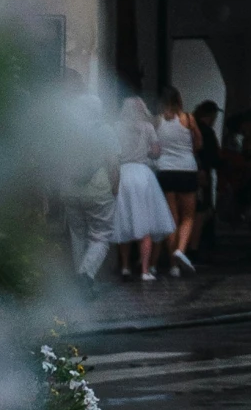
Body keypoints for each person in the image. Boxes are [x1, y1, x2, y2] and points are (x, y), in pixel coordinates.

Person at [57, 72, 119, 290]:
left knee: (77, 235)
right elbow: (113, 163)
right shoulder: (105, 130)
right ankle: (86, 276)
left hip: (70, 188)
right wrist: (115, 188)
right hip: (98, 188)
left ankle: (80, 279)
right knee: (101, 235)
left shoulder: (67, 130)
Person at [112, 93, 174, 281]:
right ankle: (145, 270)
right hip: (142, 175)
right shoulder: (147, 127)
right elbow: (156, 153)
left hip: (123, 174)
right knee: (145, 222)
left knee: (124, 222)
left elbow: (112, 152)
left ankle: (124, 266)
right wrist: (147, 151)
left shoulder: (116, 127)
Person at [153, 87, 201, 275]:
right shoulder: (188, 119)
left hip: (165, 170)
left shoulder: (157, 121)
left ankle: (173, 265)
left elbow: (155, 146)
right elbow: (199, 142)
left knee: (172, 219)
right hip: (187, 170)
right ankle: (181, 250)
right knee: (188, 217)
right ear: (179, 100)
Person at [190, 102, 222, 257]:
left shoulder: (191, 128)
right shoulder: (207, 132)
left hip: (188, 172)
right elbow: (213, 156)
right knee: (202, 210)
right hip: (202, 174)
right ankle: (195, 247)